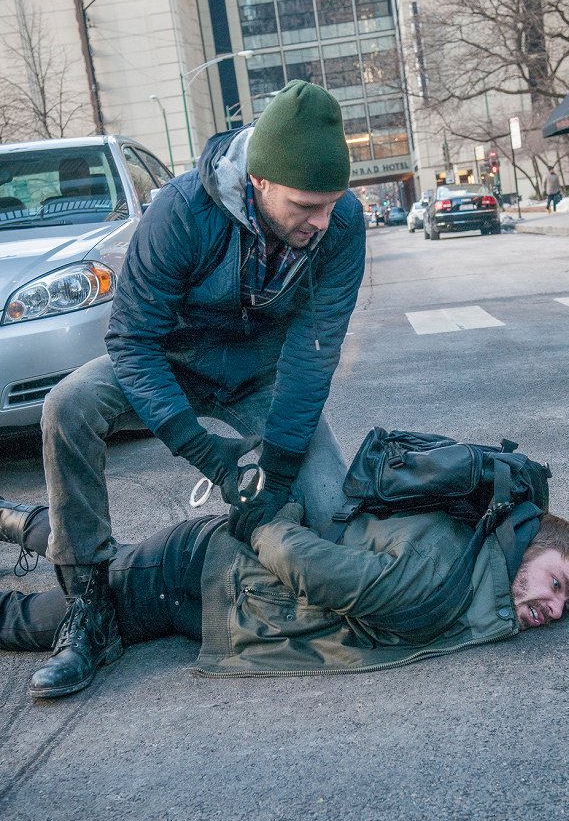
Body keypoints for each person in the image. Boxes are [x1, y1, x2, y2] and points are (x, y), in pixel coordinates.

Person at [33, 80, 366, 699]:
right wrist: (209, 454)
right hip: (171, 364)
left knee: (333, 520)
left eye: (331, 204)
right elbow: (131, 341)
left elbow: (314, 348)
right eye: (305, 207)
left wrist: (282, 459)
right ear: (260, 182)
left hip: (258, 380)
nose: (321, 223)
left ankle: (242, 564)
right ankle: (88, 603)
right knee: (68, 405)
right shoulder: (183, 211)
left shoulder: (341, 222)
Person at [0, 481, 569, 696]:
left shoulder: (478, 579)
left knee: (106, 562)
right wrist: (263, 524)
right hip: (200, 577)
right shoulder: (446, 571)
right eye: (555, 583)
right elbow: (314, 569)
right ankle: (17, 521)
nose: (554, 608)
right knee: (36, 621)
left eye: (564, 604)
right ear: (527, 547)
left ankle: (13, 518)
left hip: (217, 583)